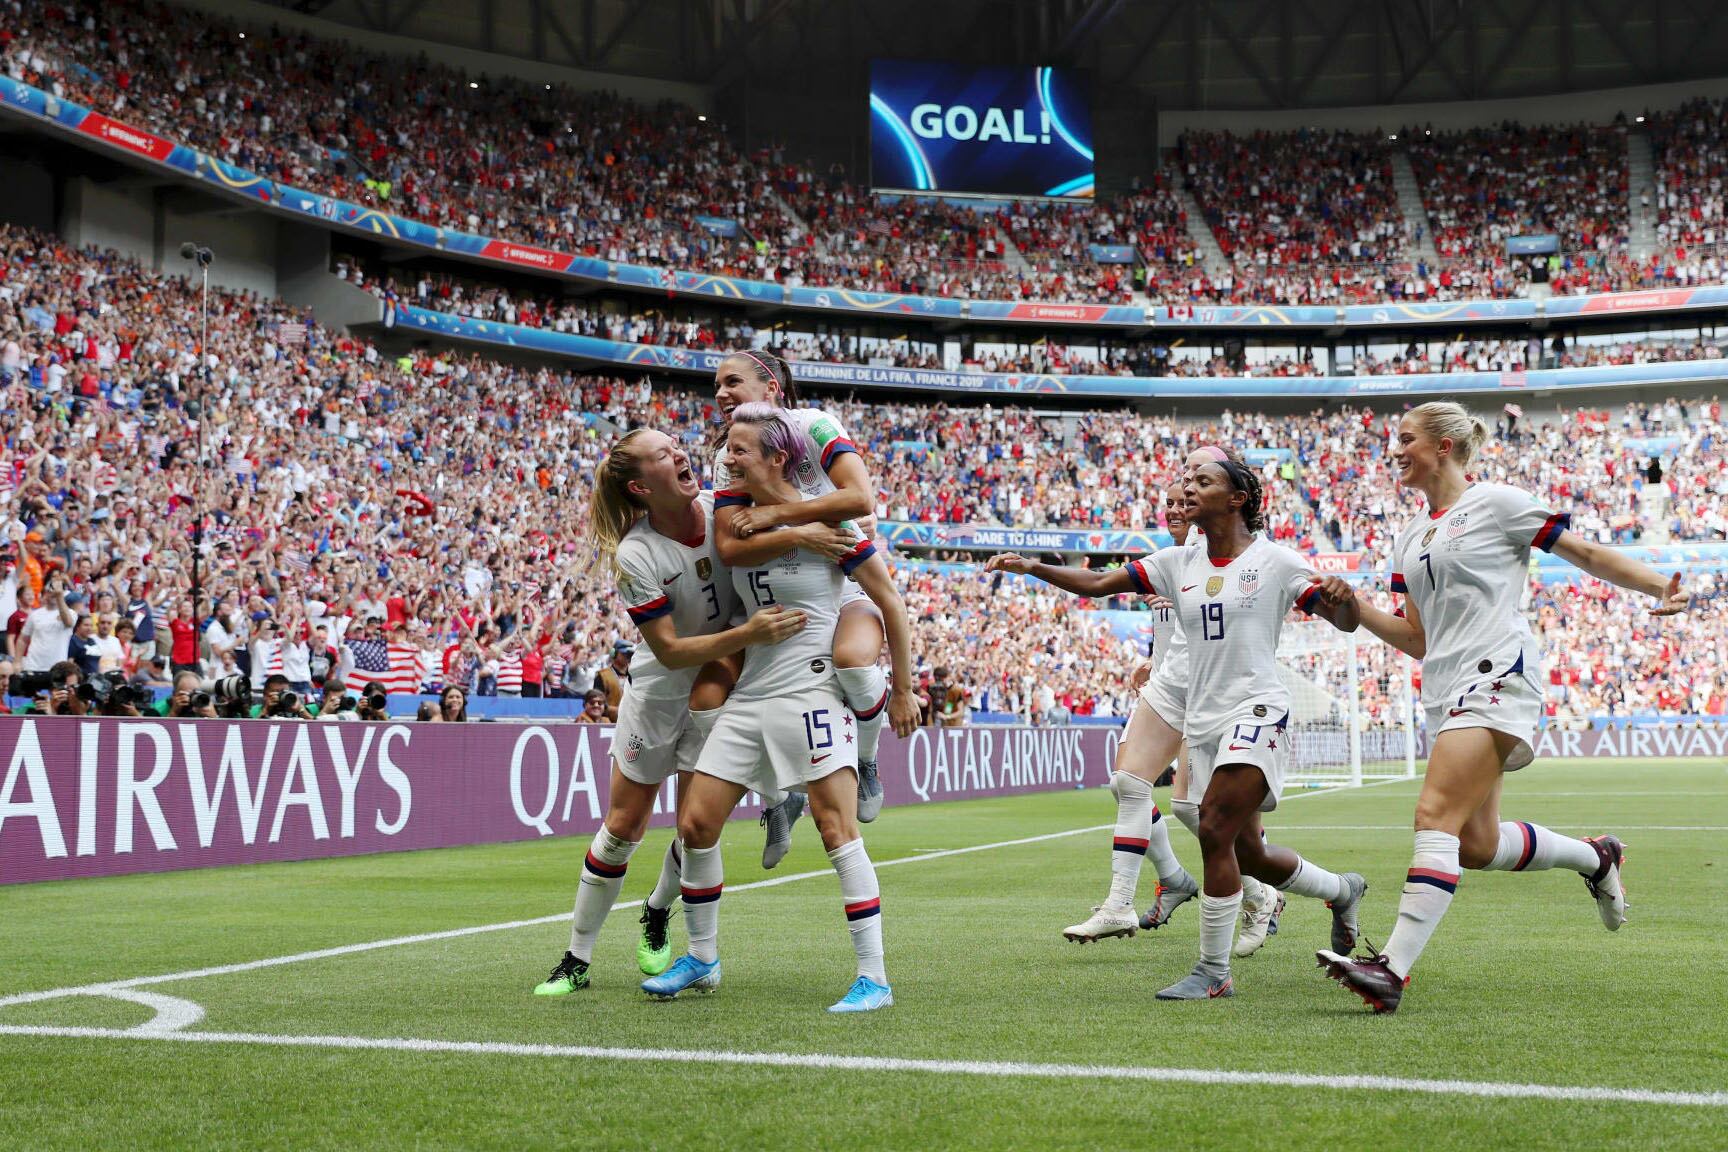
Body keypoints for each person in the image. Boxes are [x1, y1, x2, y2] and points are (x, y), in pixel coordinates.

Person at [1317, 402, 1688, 1013]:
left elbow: (1586, 554)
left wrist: (1658, 586)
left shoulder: (1497, 502)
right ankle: (1596, 856)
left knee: (1434, 815)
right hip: (1444, 688)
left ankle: (1390, 971)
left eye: (1406, 439)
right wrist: (1352, 610)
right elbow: (1417, 639)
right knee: (1476, 845)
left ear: (1443, 445)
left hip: (1496, 673)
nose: (1395, 450)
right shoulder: (1409, 536)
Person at [642, 403, 918, 1013]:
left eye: (740, 450)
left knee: (836, 829)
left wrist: (901, 688)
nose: (728, 460)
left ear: (776, 456)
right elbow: (726, 548)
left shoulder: (833, 525)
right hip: (753, 692)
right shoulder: (740, 523)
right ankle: (703, 959)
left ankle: (874, 977)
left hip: (812, 692)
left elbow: (890, 602)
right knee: (695, 825)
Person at [535, 427, 815, 999]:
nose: (680, 453)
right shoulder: (636, 554)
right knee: (622, 828)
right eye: (664, 454)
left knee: (695, 826)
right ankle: (576, 958)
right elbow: (668, 650)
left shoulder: (722, 508)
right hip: (658, 695)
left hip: (718, 690)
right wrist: (749, 633)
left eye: (676, 445)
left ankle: (660, 911)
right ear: (641, 487)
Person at [1150, 450, 1366, 1001]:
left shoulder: (1276, 561)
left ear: (1237, 499)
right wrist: (1036, 568)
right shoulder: (1183, 562)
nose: (1187, 488)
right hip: (1205, 717)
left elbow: (1343, 622)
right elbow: (1100, 583)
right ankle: (1343, 891)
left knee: (1212, 828)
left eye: (1202, 480)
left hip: (1259, 709)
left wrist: (1346, 602)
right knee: (1251, 855)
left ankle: (1213, 972)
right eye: (1186, 480)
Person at [985, 473, 1208, 949]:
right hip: (1171, 688)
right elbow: (1104, 585)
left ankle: (1280, 891)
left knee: (1193, 808)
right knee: (1129, 784)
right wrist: (1155, 660)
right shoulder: (1169, 560)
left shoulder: (1227, 557)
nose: (1176, 508)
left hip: (1214, 693)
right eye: (1169, 501)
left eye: (1186, 499)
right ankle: (1133, 897)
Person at [711, 351, 904, 822]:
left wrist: (778, 515)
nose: (720, 393)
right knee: (709, 696)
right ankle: (777, 796)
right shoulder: (728, 457)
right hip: (778, 589)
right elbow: (730, 548)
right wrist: (799, 533)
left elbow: (859, 498)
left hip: (842, 578)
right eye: (716, 385)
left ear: (771, 388)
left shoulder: (816, 425)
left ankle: (866, 758)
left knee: (853, 663)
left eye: (732, 381)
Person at [17, 576, 76, 673]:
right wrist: (17, 661)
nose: (54, 594)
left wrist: (59, 596)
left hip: (57, 668)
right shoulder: (35, 614)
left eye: (57, 593)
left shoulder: (71, 613)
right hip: (33, 666)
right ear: (45, 593)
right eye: (50, 591)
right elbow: (23, 639)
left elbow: (68, 622)